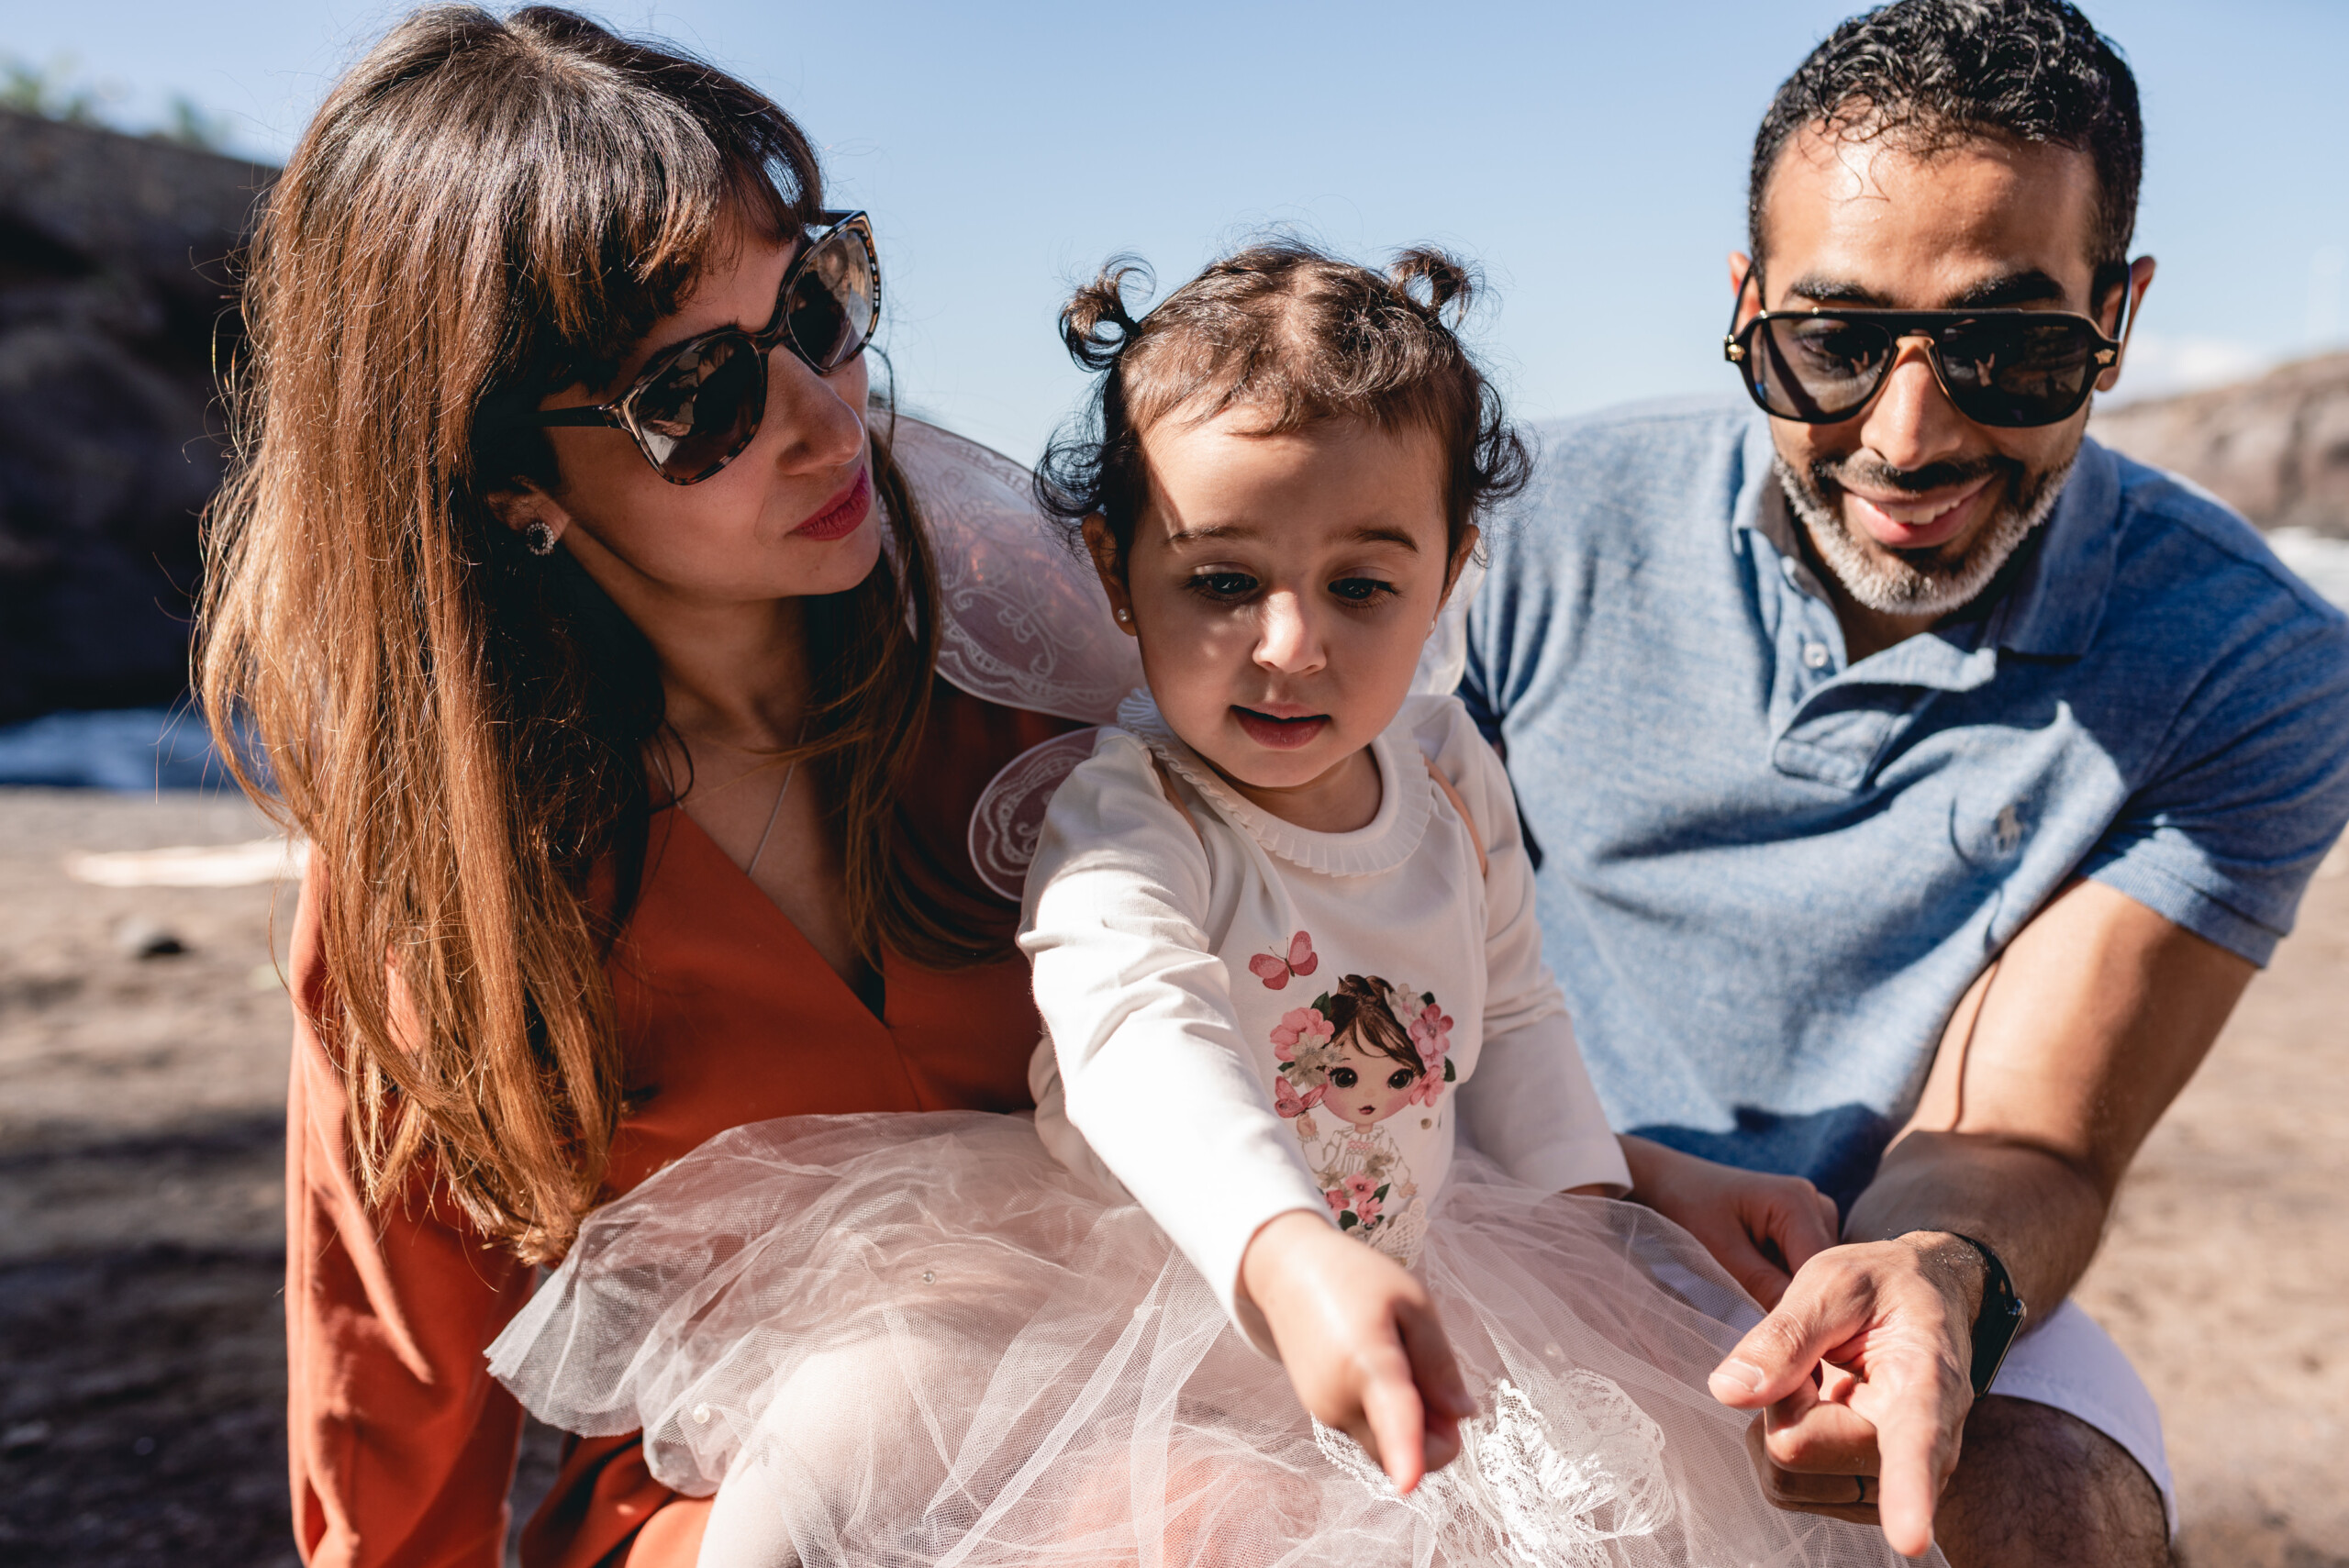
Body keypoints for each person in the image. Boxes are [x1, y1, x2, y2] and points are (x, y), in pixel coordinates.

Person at [488, 242, 1920, 1568]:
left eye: (1363, 583)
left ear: (1453, 570)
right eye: (1224, 581)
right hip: (1129, 1277)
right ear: (1115, 572)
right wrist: (1280, 1246)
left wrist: (1594, 1219)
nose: (1290, 647)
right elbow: (1136, 1032)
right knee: (815, 1468)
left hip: (1418, 1255)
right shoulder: (1134, 813)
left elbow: (1519, 999)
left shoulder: (1442, 764)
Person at [196, 9, 1146, 1565]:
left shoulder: (1041, 650)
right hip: (762, 1516)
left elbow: (1341, 944)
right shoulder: (455, 885)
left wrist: (1602, 1171)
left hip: (1194, 1419)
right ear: (506, 483)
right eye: (697, 394)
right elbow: (398, 1406)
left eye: (822, 303)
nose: (828, 415)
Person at [1460, 2, 2349, 1564]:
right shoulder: (1514, 539)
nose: (1909, 434)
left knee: (2054, 1515)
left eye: (2011, 346)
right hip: (1499, 1189)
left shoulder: (2246, 662)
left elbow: (2028, 1137)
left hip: (1910, 1239)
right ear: (1745, 308)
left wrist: (1934, 1266)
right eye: (1835, 342)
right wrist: (1587, 1192)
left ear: (2118, 319)